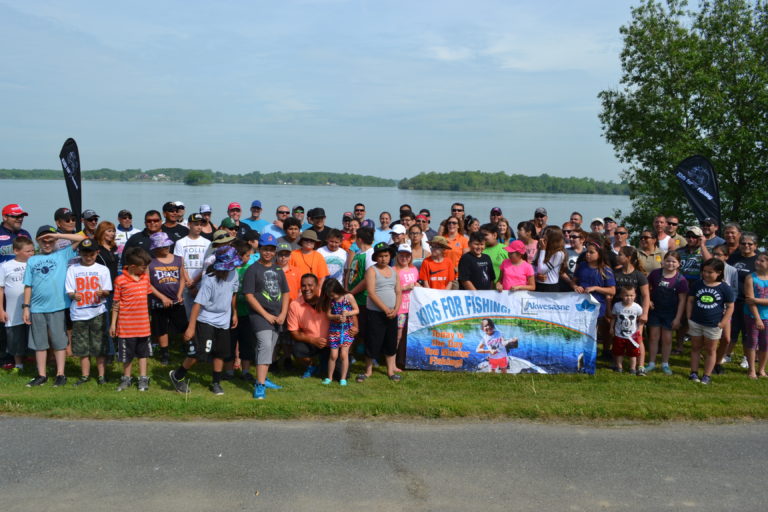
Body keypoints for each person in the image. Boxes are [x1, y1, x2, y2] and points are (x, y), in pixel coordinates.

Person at [170, 246, 240, 396]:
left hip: (224, 320)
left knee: (220, 352)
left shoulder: (234, 274)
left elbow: (233, 294)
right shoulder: (209, 280)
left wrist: (234, 313)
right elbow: (197, 304)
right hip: (206, 318)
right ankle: (177, 375)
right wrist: (191, 327)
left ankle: (216, 382)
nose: (230, 269)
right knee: (200, 352)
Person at [23, 226, 86, 387]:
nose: (47, 242)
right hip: (37, 308)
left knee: (59, 342)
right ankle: (41, 374)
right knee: (40, 343)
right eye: (43, 240)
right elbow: (28, 285)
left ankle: (60, 374)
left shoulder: (62, 254)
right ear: (37, 241)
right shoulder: (32, 260)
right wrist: (26, 307)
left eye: (49, 239)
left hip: (57, 306)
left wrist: (55, 235)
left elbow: (82, 238)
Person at [243, 234, 290, 399]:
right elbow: (249, 296)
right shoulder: (252, 269)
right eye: (265, 249)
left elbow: (285, 292)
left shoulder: (278, 269)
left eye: (271, 249)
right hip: (260, 316)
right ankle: (260, 385)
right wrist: (265, 315)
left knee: (269, 349)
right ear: (259, 249)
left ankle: (262, 377)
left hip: (278, 316)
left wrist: (283, 313)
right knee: (265, 346)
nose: (268, 252)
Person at [65, 239, 112, 386]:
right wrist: (74, 295)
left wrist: (102, 292)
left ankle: (101, 375)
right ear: (80, 253)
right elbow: (69, 291)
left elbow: (107, 290)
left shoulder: (102, 269)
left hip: (98, 312)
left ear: (97, 253)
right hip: (79, 313)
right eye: (85, 254)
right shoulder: (73, 269)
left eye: (91, 254)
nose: (89, 257)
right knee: (82, 347)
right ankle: (85, 376)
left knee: (99, 346)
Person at [110, 247, 153, 392]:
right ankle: (126, 378)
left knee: (143, 354)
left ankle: (143, 378)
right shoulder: (120, 280)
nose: (145, 269)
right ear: (133, 267)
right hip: (126, 326)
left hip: (143, 326)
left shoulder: (145, 278)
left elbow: (146, 296)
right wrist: (113, 324)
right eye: (143, 267)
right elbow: (116, 303)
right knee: (126, 355)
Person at [358, 242, 402, 383]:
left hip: (392, 313)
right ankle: (368, 371)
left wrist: (395, 309)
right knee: (373, 341)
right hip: (376, 313)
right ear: (376, 257)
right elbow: (371, 293)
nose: (383, 258)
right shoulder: (371, 271)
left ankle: (390, 371)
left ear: (390, 256)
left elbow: (399, 292)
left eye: (386, 255)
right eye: (380, 256)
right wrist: (385, 309)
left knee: (390, 341)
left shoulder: (394, 271)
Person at [687, 258, 735, 385]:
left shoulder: (725, 288)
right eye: (704, 271)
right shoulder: (697, 284)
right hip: (696, 321)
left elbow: (730, 306)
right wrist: (689, 316)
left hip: (714, 324)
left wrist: (723, 323)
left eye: (710, 272)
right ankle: (693, 372)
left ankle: (707, 375)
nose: (706, 274)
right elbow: (690, 300)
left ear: (719, 273)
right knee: (696, 348)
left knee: (710, 350)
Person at [645, 251, 688, 374]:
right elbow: (646, 288)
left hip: (671, 313)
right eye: (668, 260)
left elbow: (682, 301)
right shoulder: (655, 274)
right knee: (653, 337)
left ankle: (665, 363)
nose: (670, 263)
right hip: (655, 311)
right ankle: (651, 362)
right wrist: (648, 301)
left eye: (674, 261)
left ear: (679, 264)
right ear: (663, 262)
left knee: (667, 339)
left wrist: (678, 318)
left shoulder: (681, 280)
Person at [572, 241, 616, 357]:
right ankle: (583, 352)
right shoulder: (582, 266)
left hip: (598, 305)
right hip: (581, 304)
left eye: (591, 252)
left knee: (596, 329)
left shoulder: (605, 270)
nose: (588, 255)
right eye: (587, 252)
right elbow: (574, 281)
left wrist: (596, 288)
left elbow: (612, 290)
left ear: (599, 254)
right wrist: (576, 286)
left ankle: (600, 352)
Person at [613, 246, 650, 375]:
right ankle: (618, 364)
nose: (617, 257)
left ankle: (640, 366)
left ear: (628, 258)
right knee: (618, 338)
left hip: (635, 313)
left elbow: (646, 295)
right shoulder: (615, 273)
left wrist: (645, 314)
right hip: (619, 311)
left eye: (620, 254)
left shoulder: (639, 275)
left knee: (637, 339)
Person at [0, 237, 35, 373]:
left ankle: (38, 364)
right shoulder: (5, 266)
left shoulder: (34, 264)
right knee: (15, 337)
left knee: (34, 336)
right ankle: (18, 365)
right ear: (16, 251)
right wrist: (1, 310)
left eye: (32, 250)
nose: (31, 253)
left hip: (33, 307)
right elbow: (1, 288)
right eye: (28, 251)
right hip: (13, 309)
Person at [288, 273, 329, 378]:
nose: (307, 289)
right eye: (303, 285)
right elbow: (294, 332)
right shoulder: (294, 305)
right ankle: (312, 365)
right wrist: (313, 340)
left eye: (310, 285)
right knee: (297, 349)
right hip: (310, 342)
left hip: (331, 341)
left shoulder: (327, 298)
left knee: (339, 374)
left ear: (317, 286)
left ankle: (324, 363)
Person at [319, 278, 358, 386]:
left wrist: (347, 313)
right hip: (334, 330)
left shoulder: (348, 297)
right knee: (333, 355)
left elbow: (356, 310)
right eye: (329, 295)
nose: (332, 297)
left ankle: (343, 378)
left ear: (337, 289)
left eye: (333, 294)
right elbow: (329, 315)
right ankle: (329, 377)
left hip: (347, 330)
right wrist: (337, 316)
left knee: (344, 354)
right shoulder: (330, 300)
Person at [174, 212, 211, 316]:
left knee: (201, 314)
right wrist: (189, 283)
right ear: (189, 224)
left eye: (201, 224)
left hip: (201, 284)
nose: (199, 227)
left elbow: (206, 265)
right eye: (196, 224)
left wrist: (195, 281)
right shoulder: (180, 242)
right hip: (186, 284)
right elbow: (180, 264)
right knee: (187, 314)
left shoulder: (207, 243)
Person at [743, 252, 768, 379]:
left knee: (765, 343)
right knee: (753, 342)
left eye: (762, 261)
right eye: (757, 260)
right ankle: (751, 369)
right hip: (753, 316)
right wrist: (757, 318)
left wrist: (757, 300)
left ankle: (762, 369)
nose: (757, 262)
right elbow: (749, 299)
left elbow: (754, 300)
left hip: (767, 316)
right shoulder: (750, 278)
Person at [394, 244, 418, 371]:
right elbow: (392, 289)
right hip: (400, 308)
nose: (404, 258)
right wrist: (405, 288)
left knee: (410, 335)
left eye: (407, 255)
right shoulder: (394, 270)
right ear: (397, 256)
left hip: (412, 308)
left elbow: (416, 284)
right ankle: (394, 360)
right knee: (398, 335)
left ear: (410, 257)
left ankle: (406, 358)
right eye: (401, 255)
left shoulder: (414, 269)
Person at [610, 286, 644, 374]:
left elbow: (641, 320)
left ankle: (632, 368)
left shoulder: (637, 307)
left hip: (632, 336)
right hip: (619, 334)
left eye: (631, 295)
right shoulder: (617, 306)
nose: (629, 298)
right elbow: (613, 318)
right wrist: (611, 328)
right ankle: (619, 367)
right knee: (618, 352)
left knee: (633, 354)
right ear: (621, 295)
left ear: (635, 295)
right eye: (626, 295)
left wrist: (639, 330)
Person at [535, 227, 567, 292]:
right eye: (543, 233)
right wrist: (536, 275)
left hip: (550, 287)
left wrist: (543, 250)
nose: (543, 236)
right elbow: (533, 266)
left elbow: (541, 270)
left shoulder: (559, 254)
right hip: (538, 284)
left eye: (546, 234)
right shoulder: (542, 249)